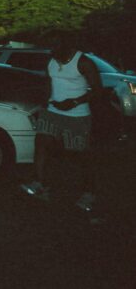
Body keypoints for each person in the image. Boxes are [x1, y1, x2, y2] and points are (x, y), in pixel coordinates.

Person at [21, 37, 101, 211]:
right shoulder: (51, 61)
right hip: (52, 111)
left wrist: (74, 102)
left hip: (77, 115)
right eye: (50, 47)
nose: (51, 51)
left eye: (55, 47)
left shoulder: (83, 62)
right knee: (41, 142)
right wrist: (44, 101)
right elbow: (49, 82)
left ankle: (89, 193)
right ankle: (39, 184)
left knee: (81, 154)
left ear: (66, 46)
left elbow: (97, 90)